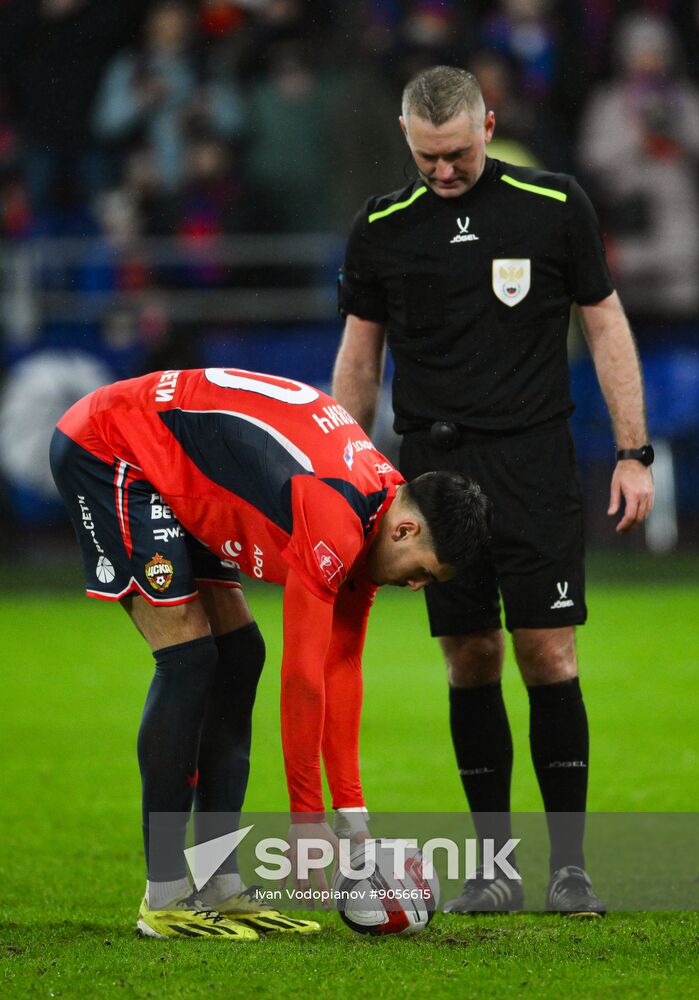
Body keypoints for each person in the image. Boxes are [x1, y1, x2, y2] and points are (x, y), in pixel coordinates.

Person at [332, 65, 655, 917]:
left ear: (488, 126)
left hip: (535, 460)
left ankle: (571, 868)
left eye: (457, 154)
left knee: (548, 652)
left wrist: (633, 451)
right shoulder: (380, 229)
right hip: (433, 474)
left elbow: (605, 321)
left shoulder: (554, 207)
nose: (442, 171)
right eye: (427, 156)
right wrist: (338, 471)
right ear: (407, 136)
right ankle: (493, 866)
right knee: (470, 658)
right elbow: (360, 359)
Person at [49, 365, 491, 939]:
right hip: (114, 448)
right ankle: (164, 896)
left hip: (180, 469)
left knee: (240, 654)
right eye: (423, 575)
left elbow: (342, 663)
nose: (414, 587)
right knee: (189, 660)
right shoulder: (336, 515)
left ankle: (219, 885)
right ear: (407, 532)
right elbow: (304, 673)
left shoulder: (382, 500)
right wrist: (306, 819)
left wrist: (352, 820)